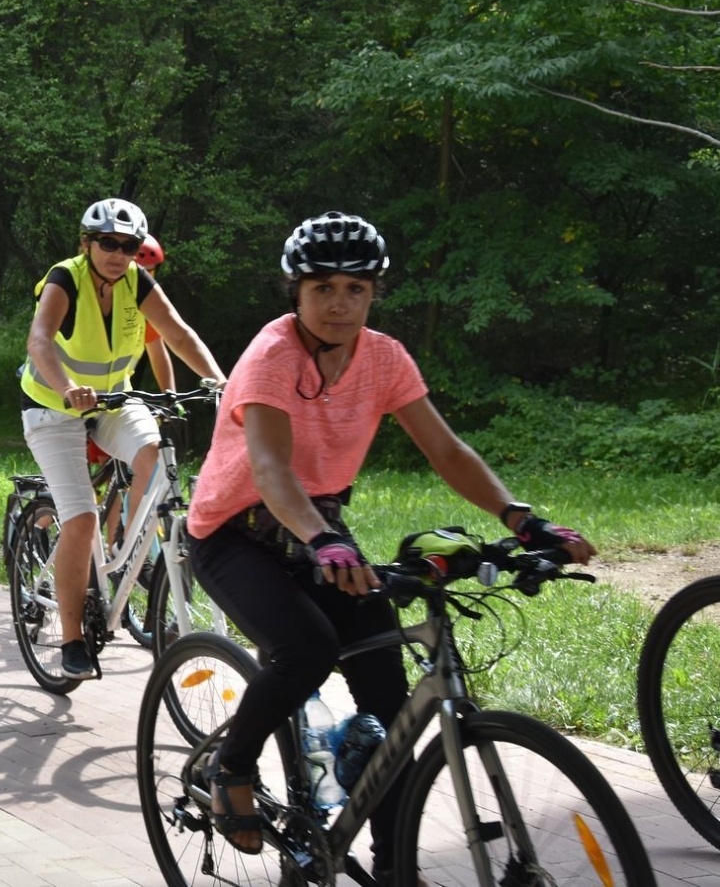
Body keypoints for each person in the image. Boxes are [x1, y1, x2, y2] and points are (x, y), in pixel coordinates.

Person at [183, 211, 596, 878]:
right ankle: (232, 762)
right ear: (297, 292)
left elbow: (446, 449)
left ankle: (393, 860)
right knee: (306, 649)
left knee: (389, 702)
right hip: (236, 532)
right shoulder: (271, 356)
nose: (340, 303)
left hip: (317, 528)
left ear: (375, 292)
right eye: (324, 288)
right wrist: (323, 538)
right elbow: (270, 469)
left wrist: (520, 518)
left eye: (356, 288)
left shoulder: (384, 357)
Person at [20, 198, 226, 680]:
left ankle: (129, 542)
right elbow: (39, 340)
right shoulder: (64, 278)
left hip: (114, 400)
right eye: (108, 244)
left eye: (128, 246)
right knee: (80, 518)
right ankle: (72, 637)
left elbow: (177, 334)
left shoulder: (136, 281)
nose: (118, 253)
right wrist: (66, 388)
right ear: (86, 244)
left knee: (155, 455)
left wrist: (222, 381)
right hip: (53, 406)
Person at [135, 234, 175, 391]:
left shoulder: (147, 306)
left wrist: (170, 397)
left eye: (150, 271)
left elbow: (157, 352)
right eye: (140, 271)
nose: (145, 278)